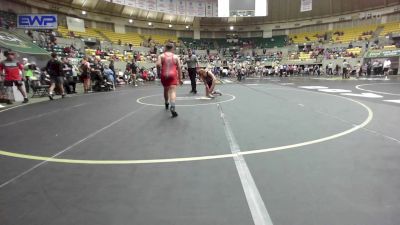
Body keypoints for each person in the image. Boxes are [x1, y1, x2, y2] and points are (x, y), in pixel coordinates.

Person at [157, 43, 183, 118]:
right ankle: (173, 106)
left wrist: (159, 73)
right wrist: (180, 79)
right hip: (173, 75)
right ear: (173, 48)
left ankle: (166, 103)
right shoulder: (175, 56)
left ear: (165, 48)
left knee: (166, 89)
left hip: (164, 74)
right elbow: (179, 68)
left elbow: (158, 65)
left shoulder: (161, 56)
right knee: (173, 91)